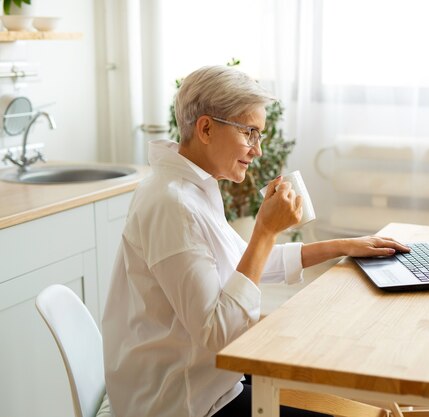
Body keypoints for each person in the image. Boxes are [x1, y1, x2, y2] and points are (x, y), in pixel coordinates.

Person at [101, 65, 409, 417]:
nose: (257, 150)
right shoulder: (173, 204)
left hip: (209, 384)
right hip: (187, 403)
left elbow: (238, 264)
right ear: (205, 128)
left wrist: (340, 246)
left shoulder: (192, 187)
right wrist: (265, 230)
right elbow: (220, 335)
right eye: (250, 133)